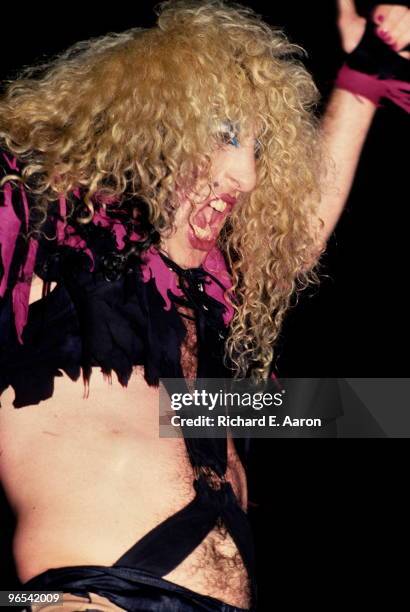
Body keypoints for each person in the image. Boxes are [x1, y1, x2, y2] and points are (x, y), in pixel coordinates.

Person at [0, 1, 408, 610]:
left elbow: (299, 243)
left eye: (256, 147)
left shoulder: (202, 322)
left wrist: (362, 77)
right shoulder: (43, 254)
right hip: (96, 598)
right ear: (148, 130)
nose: (244, 175)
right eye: (224, 136)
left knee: (367, 411)